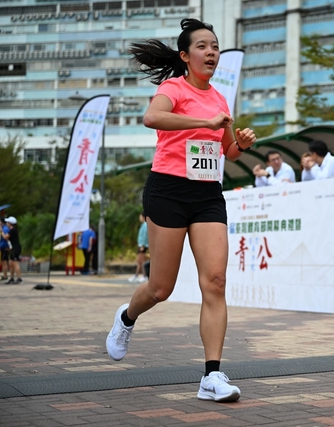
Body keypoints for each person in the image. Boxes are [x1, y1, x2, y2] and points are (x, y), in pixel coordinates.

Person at [105, 18, 256, 403]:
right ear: (186, 56)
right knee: (161, 288)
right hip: (168, 191)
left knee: (215, 281)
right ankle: (126, 317)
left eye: (215, 46)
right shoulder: (173, 88)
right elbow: (152, 118)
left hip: (207, 194)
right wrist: (203, 121)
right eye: (203, 46)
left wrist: (241, 143)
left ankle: (212, 376)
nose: (211, 52)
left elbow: (227, 152)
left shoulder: (220, 99)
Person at [128, 212, 149, 283]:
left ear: (143, 217)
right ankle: (136, 275)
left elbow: (145, 236)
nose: (139, 218)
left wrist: (142, 245)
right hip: (141, 245)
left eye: (140, 217)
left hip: (143, 245)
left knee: (142, 261)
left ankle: (144, 276)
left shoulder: (145, 225)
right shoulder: (143, 225)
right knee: (139, 261)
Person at [3, 217, 22, 284]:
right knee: (11, 263)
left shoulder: (13, 230)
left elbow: (6, 237)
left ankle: (19, 278)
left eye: (7, 222)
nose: (6, 224)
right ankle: (11, 278)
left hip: (16, 248)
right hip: (13, 248)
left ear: (10, 223)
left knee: (15, 263)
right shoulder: (12, 229)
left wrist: (2, 231)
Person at [0, 217, 11, 282]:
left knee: (4, 261)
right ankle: (4, 275)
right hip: (3, 246)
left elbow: (6, 237)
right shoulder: (4, 228)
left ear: (1, 221)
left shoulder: (5, 228)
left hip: (5, 247)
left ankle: (5, 275)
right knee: (3, 261)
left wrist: (1, 231)